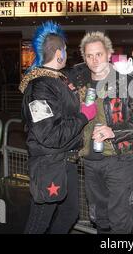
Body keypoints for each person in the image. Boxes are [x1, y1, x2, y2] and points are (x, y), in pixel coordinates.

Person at [19, 21, 97, 234]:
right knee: (38, 222)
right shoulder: (40, 86)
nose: (67, 55)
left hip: (65, 160)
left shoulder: (57, 80)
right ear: (58, 52)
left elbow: (63, 110)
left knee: (70, 213)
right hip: (49, 162)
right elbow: (48, 134)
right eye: (65, 50)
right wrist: (83, 116)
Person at [68, 31, 133, 234]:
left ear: (109, 54)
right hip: (89, 160)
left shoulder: (126, 82)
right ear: (84, 57)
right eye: (89, 55)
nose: (95, 60)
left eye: (99, 54)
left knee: (120, 218)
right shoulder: (79, 83)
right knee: (99, 218)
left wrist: (113, 131)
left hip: (118, 159)